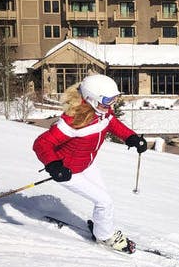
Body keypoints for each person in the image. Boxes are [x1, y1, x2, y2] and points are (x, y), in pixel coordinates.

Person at [33, 74, 147, 253]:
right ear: (91, 99)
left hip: (87, 164)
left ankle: (101, 227)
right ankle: (105, 237)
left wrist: (131, 137)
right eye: (107, 100)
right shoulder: (73, 121)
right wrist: (54, 166)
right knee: (104, 202)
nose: (111, 105)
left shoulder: (102, 111)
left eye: (114, 99)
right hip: (69, 171)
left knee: (103, 200)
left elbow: (113, 124)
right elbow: (42, 143)